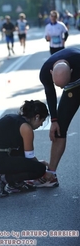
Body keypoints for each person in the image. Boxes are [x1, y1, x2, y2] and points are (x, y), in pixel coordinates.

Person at [0, 100, 51, 197]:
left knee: (22, 152)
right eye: (42, 121)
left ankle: (15, 183)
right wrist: (44, 172)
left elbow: (24, 154)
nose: (41, 125)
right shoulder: (26, 128)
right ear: (37, 117)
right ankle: (1, 180)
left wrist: (38, 161)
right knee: (39, 169)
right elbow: (29, 157)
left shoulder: (15, 119)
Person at [37, 47, 80, 187]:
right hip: (73, 90)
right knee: (59, 129)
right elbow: (50, 95)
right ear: (51, 73)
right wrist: (54, 120)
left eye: (64, 84)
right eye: (59, 86)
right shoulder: (45, 72)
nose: (61, 88)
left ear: (72, 72)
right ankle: (52, 175)